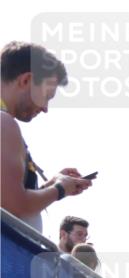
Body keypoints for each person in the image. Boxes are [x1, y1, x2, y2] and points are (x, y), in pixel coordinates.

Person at [1, 42, 92, 230]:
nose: (45, 109)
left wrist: (48, 187)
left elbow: (8, 202)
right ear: (26, 80)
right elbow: (15, 206)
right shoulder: (4, 123)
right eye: (46, 96)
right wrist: (59, 190)